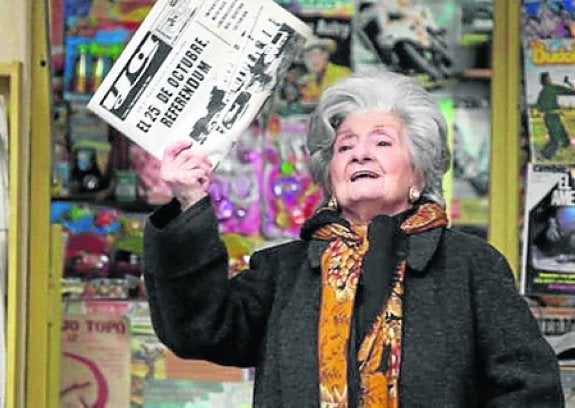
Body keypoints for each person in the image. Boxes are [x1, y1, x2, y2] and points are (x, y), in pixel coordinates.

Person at [143, 72, 564, 407]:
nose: (360, 154)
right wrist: (188, 202)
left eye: (382, 142)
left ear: (418, 172)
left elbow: (530, 387)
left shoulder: (470, 266)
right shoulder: (283, 272)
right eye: (345, 147)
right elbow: (198, 329)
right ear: (330, 176)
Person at [300, 36, 352, 104]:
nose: (312, 60)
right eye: (308, 57)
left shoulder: (343, 73)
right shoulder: (309, 81)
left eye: (315, 55)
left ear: (325, 55)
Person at [537, 72, 575, 160]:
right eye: (549, 77)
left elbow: (540, 107)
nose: (550, 79)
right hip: (553, 117)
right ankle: (544, 155)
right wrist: (568, 82)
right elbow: (572, 91)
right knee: (555, 139)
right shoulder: (552, 88)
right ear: (547, 79)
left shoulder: (542, 92)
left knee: (562, 133)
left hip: (550, 116)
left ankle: (567, 145)